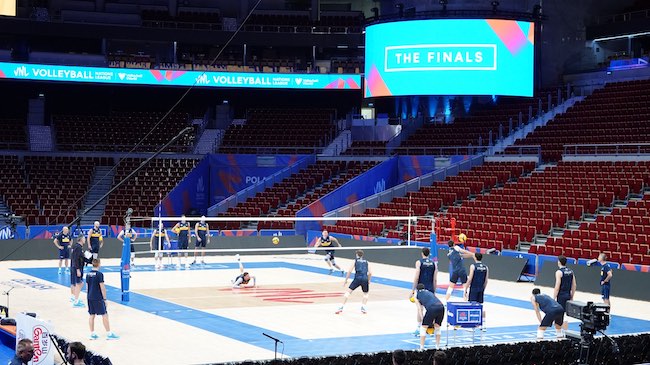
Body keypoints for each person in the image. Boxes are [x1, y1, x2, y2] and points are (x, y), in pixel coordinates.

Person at [86, 259, 119, 340]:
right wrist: (104, 299)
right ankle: (109, 333)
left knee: (91, 315)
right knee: (104, 314)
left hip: (90, 297)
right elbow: (102, 288)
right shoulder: (99, 274)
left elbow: (87, 287)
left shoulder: (88, 274)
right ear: (99, 264)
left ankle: (92, 333)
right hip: (98, 297)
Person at [336, 250, 372, 314]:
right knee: (366, 293)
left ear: (357, 255)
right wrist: (369, 280)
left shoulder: (355, 261)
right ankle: (363, 307)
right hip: (365, 279)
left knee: (348, 292)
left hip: (357, 278)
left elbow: (349, 271)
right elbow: (370, 273)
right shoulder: (367, 262)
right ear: (362, 255)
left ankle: (341, 307)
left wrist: (346, 280)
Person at [411, 247, 437, 336]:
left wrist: (413, 290)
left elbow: (416, 277)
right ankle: (431, 328)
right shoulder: (434, 263)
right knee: (430, 309)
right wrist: (434, 290)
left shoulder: (419, 262)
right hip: (430, 288)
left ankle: (419, 328)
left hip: (421, 288)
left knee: (420, 308)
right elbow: (435, 279)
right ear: (429, 253)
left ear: (422, 253)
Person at [414, 283, 444, 350]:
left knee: (423, 328)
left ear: (417, 290)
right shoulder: (429, 292)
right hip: (441, 306)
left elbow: (420, 309)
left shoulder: (416, 295)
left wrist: (422, 320)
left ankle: (421, 348)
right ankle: (437, 347)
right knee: (437, 327)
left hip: (432, 308)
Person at [553, 255, 576, 335]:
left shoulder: (559, 272)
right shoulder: (571, 271)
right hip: (568, 294)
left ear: (559, 262)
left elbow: (557, 286)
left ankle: (559, 333)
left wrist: (554, 297)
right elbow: (574, 285)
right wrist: (572, 295)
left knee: (559, 314)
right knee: (565, 315)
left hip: (561, 295)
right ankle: (565, 332)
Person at [466, 252, 489, 330]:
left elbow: (470, 279)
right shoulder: (486, 267)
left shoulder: (473, 266)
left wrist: (465, 289)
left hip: (474, 288)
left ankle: (472, 326)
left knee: (472, 307)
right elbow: (486, 281)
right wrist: (483, 289)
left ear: (475, 258)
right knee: (480, 307)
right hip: (481, 289)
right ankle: (484, 325)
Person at [71, 235, 87, 308]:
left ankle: (75, 298)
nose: (85, 240)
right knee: (79, 283)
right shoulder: (78, 247)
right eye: (84, 238)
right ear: (81, 239)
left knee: (78, 283)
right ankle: (76, 301)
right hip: (77, 268)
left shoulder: (77, 246)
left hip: (75, 267)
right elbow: (76, 259)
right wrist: (78, 269)